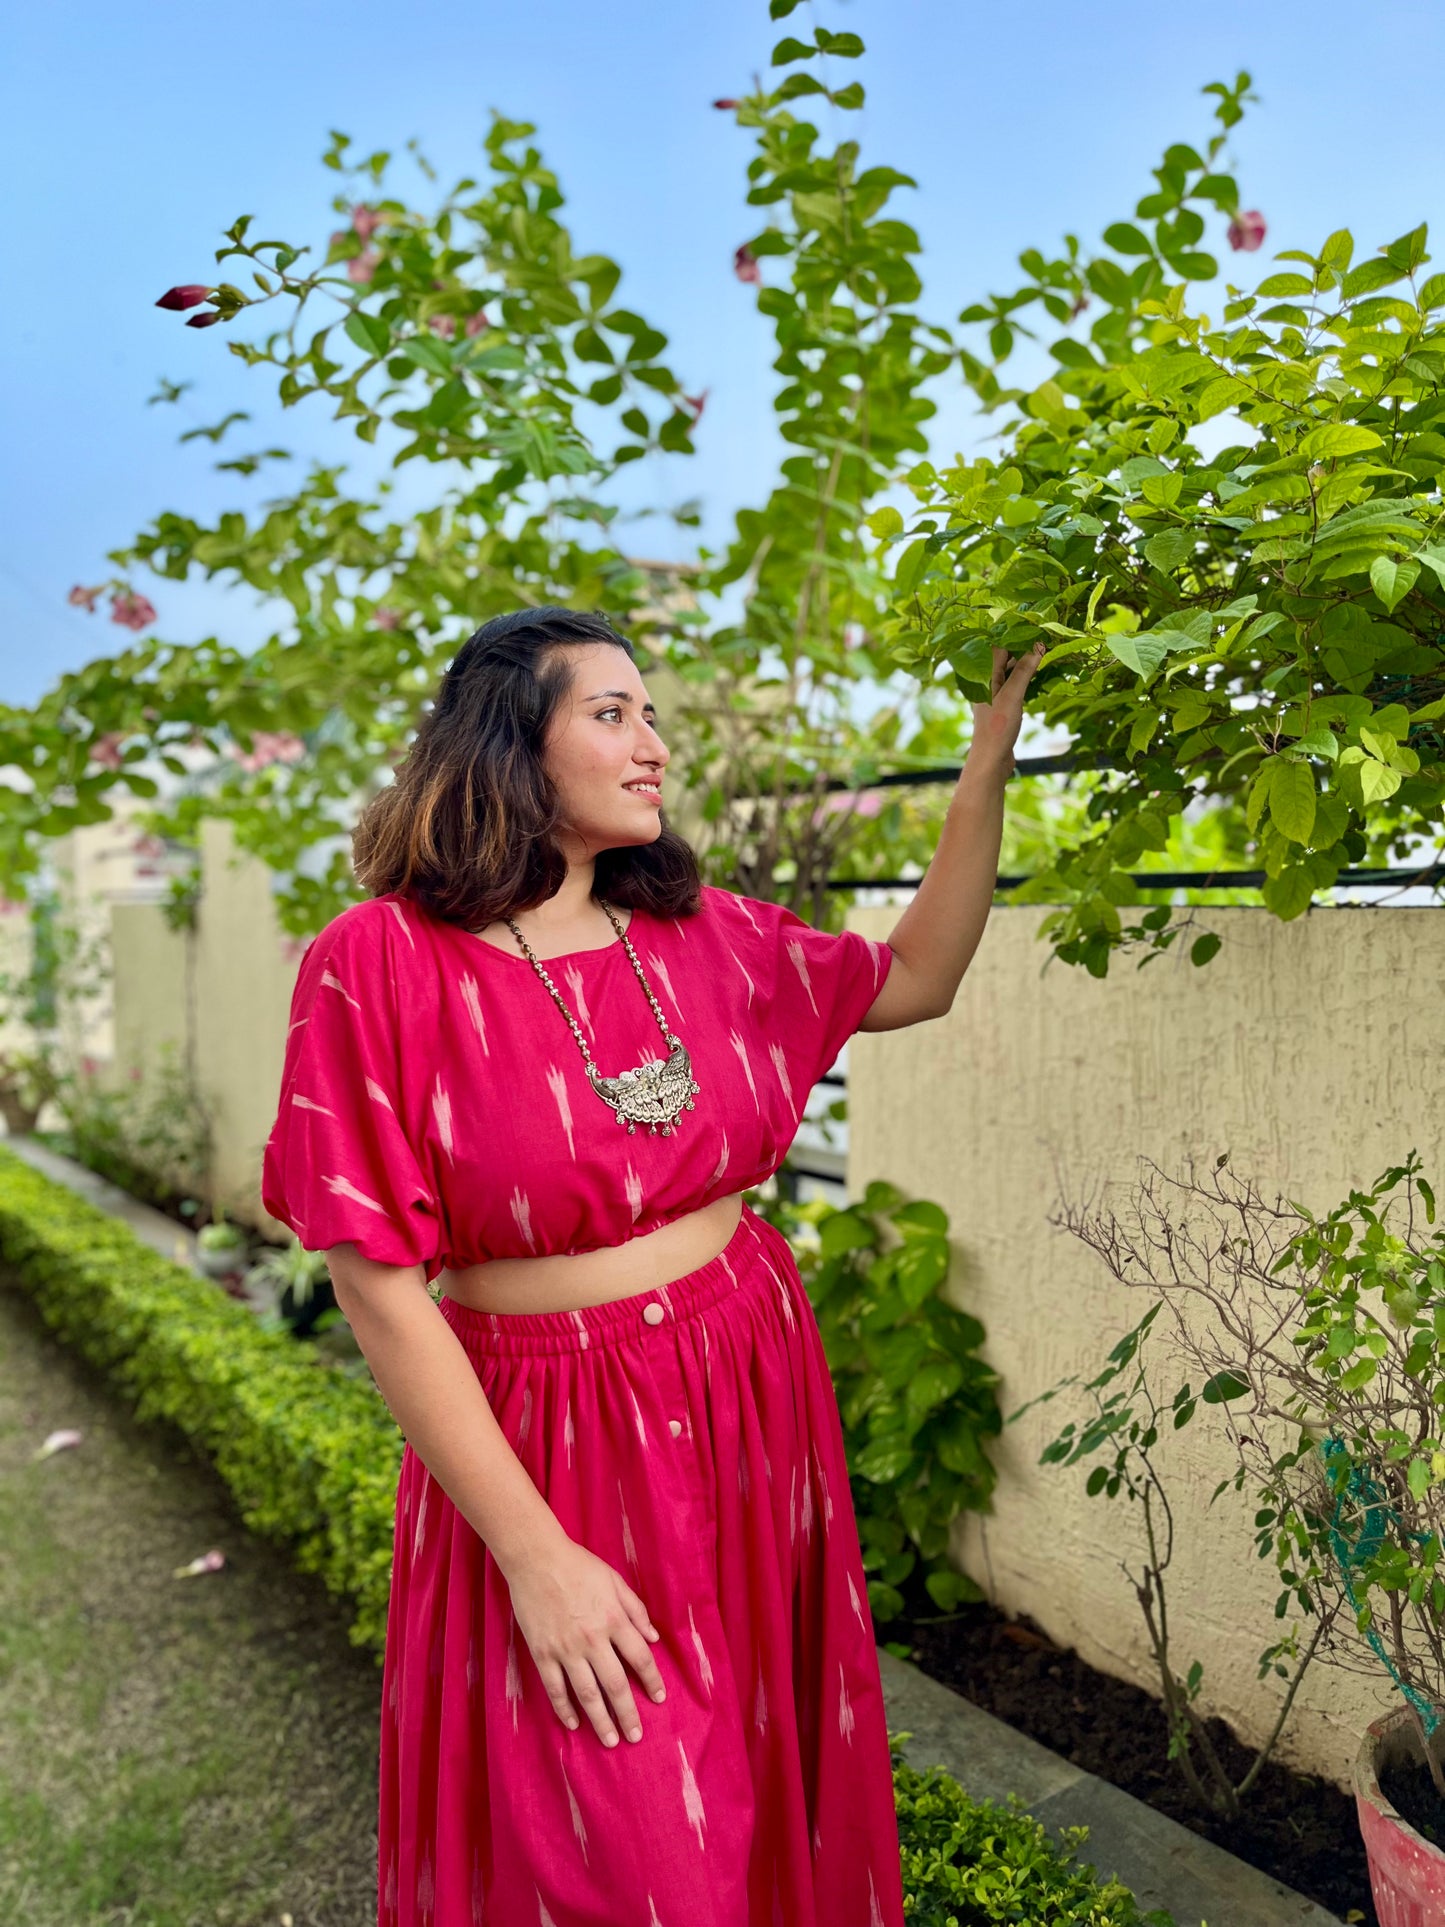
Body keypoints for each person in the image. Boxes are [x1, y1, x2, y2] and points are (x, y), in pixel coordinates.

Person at [260, 606, 1043, 1927]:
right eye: (611, 714)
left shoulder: (701, 935)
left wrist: (989, 751)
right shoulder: (376, 964)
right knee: (625, 1857)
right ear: (513, 748)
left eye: (651, 714)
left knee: (750, 1792)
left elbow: (916, 975)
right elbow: (377, 1285)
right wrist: (534, 1556)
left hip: (744, 1388)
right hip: (548, 1436)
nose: (653, 745)